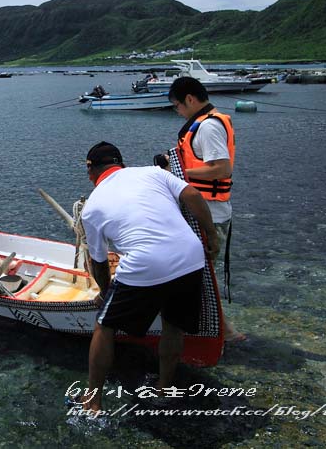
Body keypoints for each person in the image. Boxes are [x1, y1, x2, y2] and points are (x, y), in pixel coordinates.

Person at [78, 142, 219, 412]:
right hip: (190, 256)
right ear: (122, 163)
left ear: (90, 170)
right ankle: (164, 388)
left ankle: (93, 400)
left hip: (145, 265)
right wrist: (211, 236)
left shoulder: (92, 207)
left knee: (105, 326)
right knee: (173, 325)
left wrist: (105, 293)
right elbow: (193, 195)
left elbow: (98, 263)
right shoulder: (153, 173)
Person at [167, 76, 245, 342]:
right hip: (202, 210)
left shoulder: (209, 127)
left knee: (199, 278)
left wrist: (178, 172)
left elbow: (222, 168)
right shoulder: (202, 124)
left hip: (210, 214)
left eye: (177, 105)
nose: (177, 111)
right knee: (197, 276)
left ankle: (225, 332)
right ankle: (215, 327)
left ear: (190, 99)